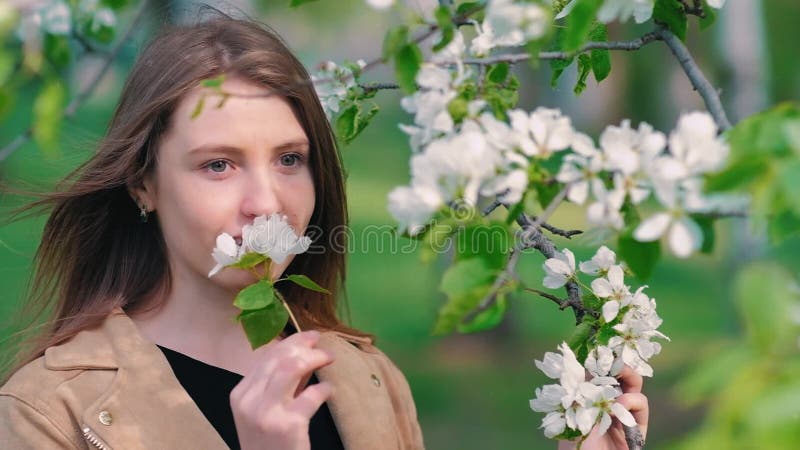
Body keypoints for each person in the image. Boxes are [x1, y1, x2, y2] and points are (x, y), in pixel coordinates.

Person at [0, 13, 648, 450]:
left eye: (289, 159)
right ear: (143, 184)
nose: (267, 202)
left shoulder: (366, 377)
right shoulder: (46, 410)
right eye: (218, 164)